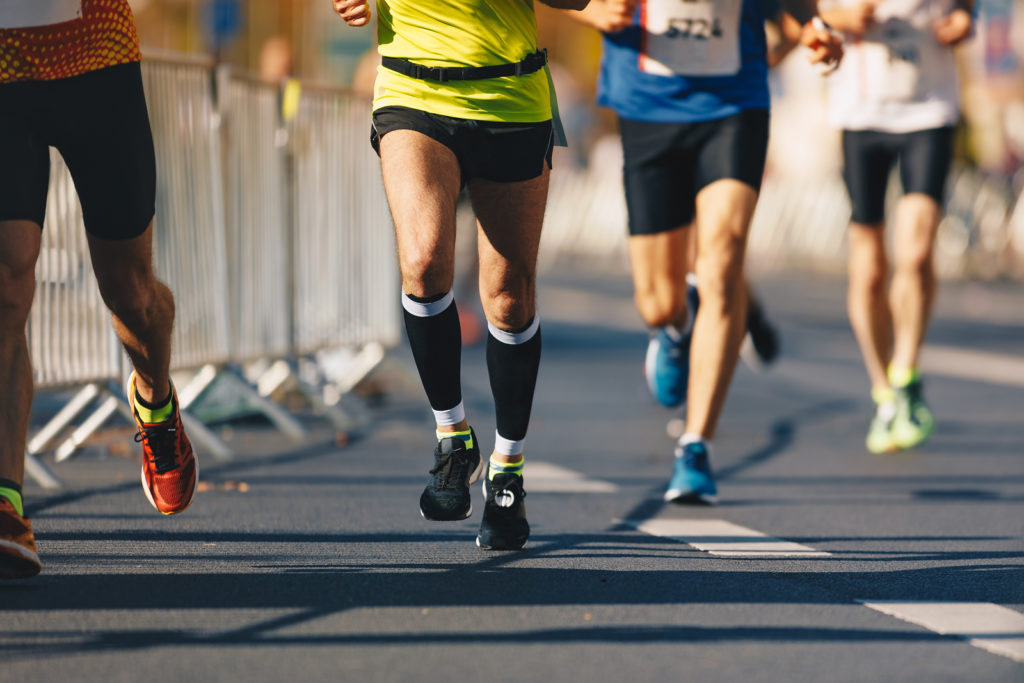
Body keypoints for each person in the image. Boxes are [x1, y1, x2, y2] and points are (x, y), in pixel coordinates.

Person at [332, 0, 590, 550]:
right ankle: (453, 436)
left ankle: (508, 470)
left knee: (508, 296)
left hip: (511, 96)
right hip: (413, 88)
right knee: (423, 262)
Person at [568, 0, 842, 503]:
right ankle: (674, 327)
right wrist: (591, 13)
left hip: (735, 103)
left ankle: (696, 446)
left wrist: (812, 28)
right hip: (647, 106)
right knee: (656, 302)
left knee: (723, 259)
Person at [0, 0, 198, 579]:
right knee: (8, 282)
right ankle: (8, 502)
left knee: (130, 292)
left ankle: (154, 400)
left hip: (95, 59)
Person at [819, 0, 972, 453]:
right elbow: (805, 12)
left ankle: (905, 373)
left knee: (918, 252)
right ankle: (882, 390)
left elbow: (966, 9)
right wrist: (836, 18)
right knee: (868, 270)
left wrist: (966, 17)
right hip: (860, 115)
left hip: (929, 110)